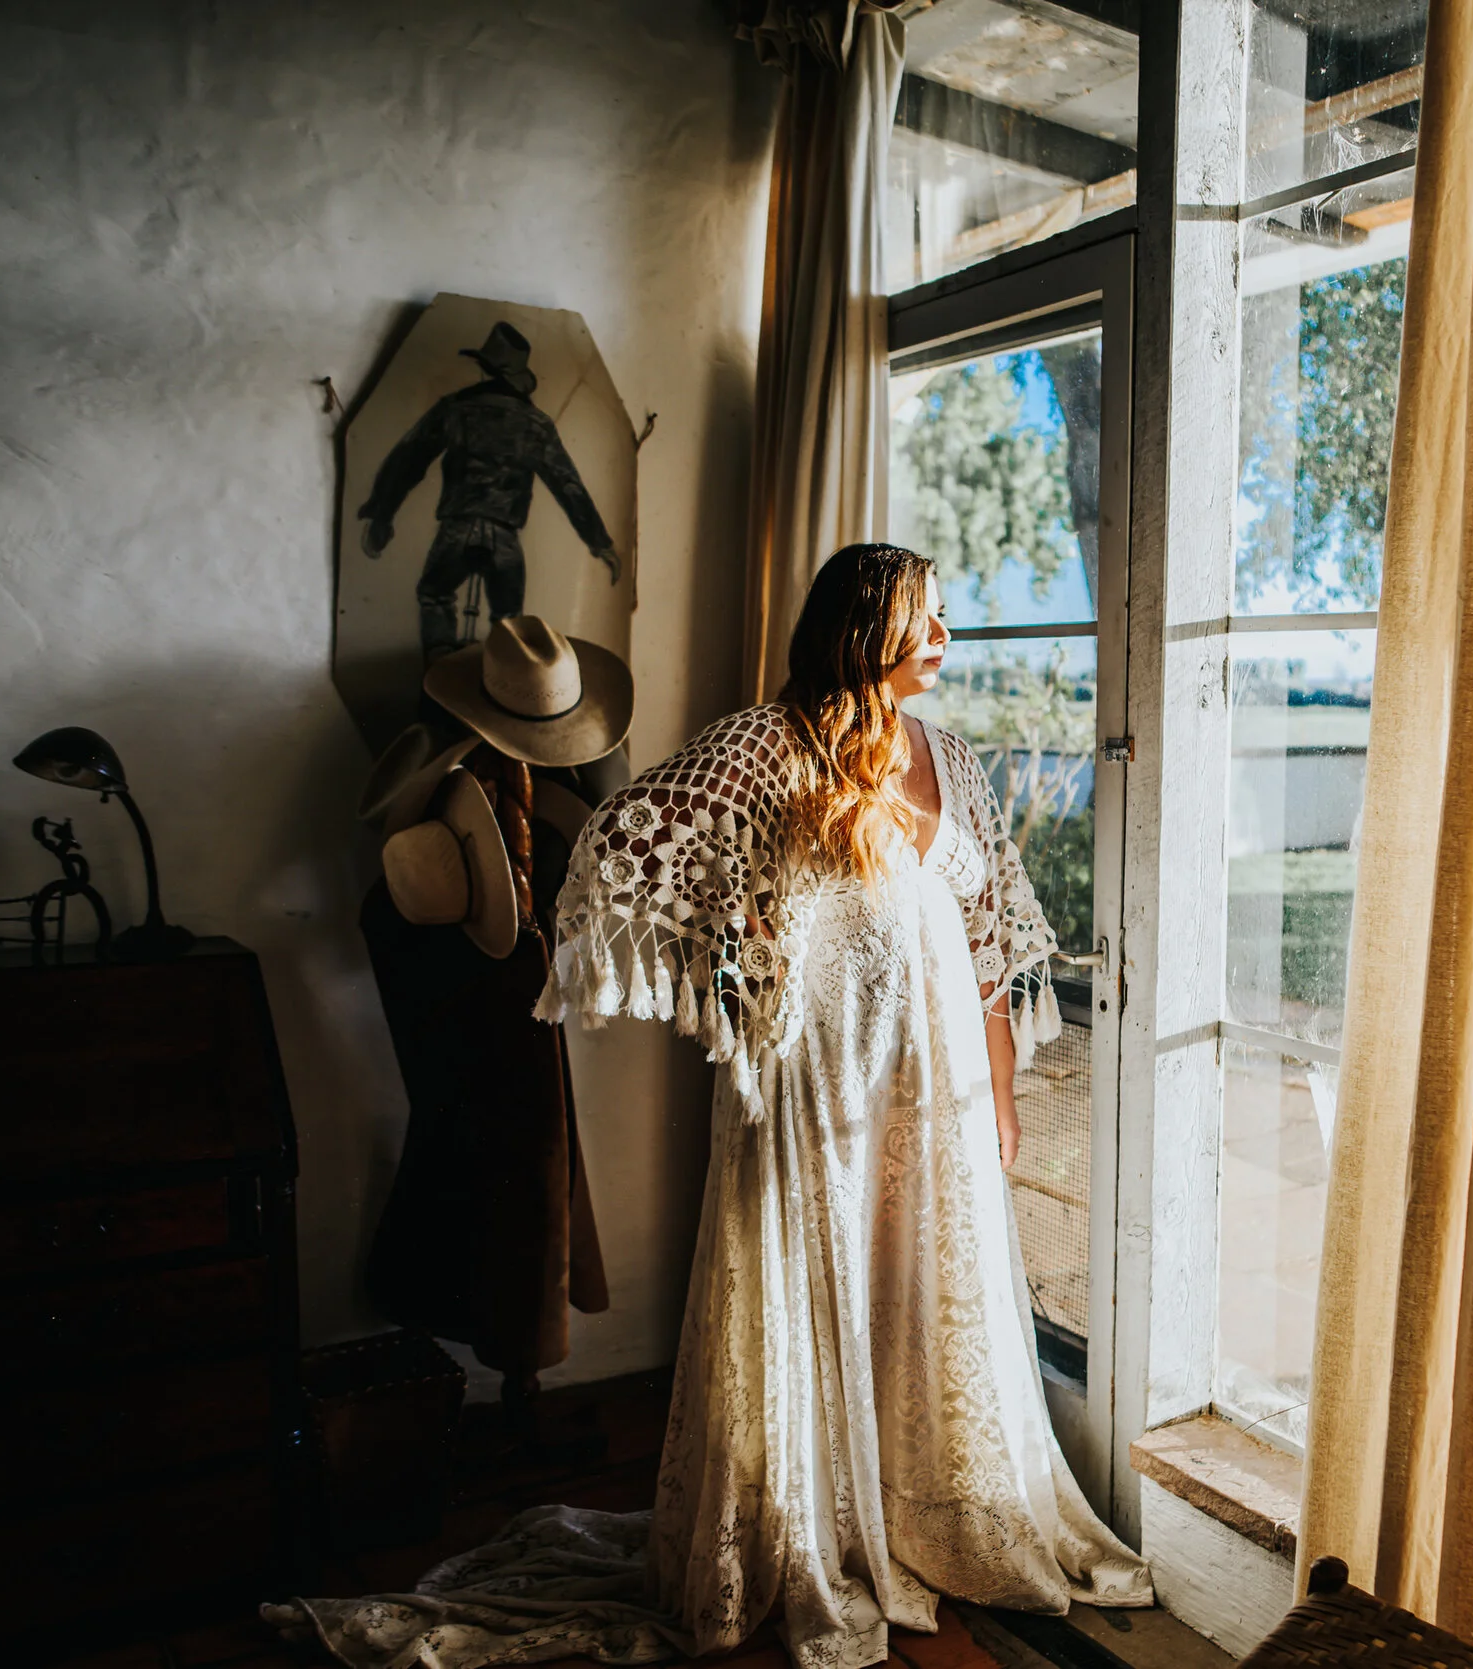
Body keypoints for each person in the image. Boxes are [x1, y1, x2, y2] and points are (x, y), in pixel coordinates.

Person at [539, 542, 1151, 1669]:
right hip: (814, 1082)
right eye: (928, 621)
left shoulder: (951, 758)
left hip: (937, 1086)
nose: (947, 643)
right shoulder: (762, 747)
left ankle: (931, 1513)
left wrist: (1000, 1085)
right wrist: (737, 978)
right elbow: (620, 839)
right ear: (864, 628)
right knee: (815, 1285)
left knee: (921, 1285)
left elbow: (987, 941)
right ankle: (810, 1527)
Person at [358, 321, 620, 662]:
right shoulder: (535, 424)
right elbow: (567, 485)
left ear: (484, 370)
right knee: (508, 621)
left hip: (457, 528)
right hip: (504, 536)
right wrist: (600, 542)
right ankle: (500, 688)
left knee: (436, 596)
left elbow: (409, 458)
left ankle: (440, 672)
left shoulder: (454, 409)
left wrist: (382, 514)